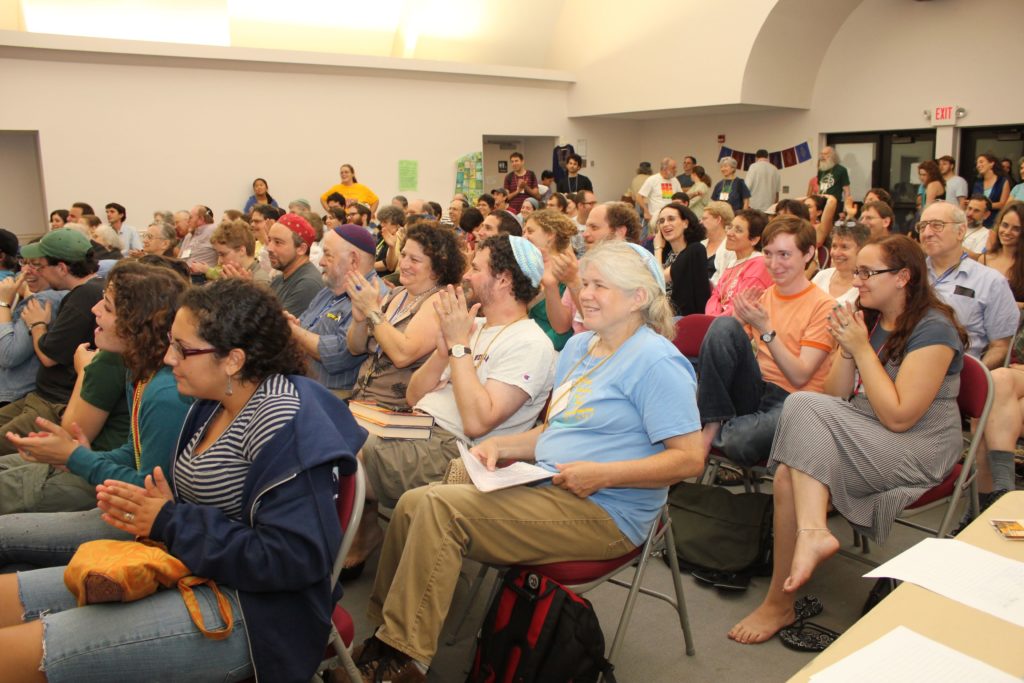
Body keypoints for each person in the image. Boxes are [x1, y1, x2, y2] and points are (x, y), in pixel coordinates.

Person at [349, 241, 704, 681]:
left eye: (600, 286)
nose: (585, 294)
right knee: (414, 502)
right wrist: (504, 447)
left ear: (638, 299)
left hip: (608, 511)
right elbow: (557, 431)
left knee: (441, 509)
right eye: (585, 283)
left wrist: (602, 475)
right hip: (552, 484)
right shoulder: (579, 349)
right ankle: (386, 637)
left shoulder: (657, 362)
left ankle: (402, 661)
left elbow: (690, 460)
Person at [0, 279, 363, 682]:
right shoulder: (212, 403)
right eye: (172, 343)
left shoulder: (282, 426)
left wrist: (170, 520)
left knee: (14, 654)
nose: (170, 358)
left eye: (183, 349)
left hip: (255, 609)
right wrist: (166, 509)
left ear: (233, 360)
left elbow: (293, 560)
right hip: (189, 562)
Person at [729, 234, 967, 645]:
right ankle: (796, 567)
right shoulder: (871, 316)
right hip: (866, 426)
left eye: (868, 273)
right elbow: (839, 394)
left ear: (903, 277)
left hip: (918, 445)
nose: (857, 281)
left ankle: (800, 558)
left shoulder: (935, 329)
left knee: (800, 409)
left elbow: (898, 417)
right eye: (858, 271)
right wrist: (846, 348)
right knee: (788, 469)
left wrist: (862, 349)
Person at [343, 235, 558, 577]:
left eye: (476, 267)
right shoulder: (476, 326)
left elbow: (476, 423)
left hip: (452, 449)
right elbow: (414, 397)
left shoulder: (531, 342)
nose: (466, 276)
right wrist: (444, 351)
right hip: (415, 425)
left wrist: (459, 348)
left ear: (502, 279)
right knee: (322, 429)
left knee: (332, 456)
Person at [1, 261, 192, 516]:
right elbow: (133, 452)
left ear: (138, 325)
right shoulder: (138, 370)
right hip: (115, 489)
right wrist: (78, 456)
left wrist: (76, 457)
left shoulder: (166, 392)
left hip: (139, 516)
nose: (94, 309)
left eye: (108, 306)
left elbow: (149, 491)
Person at [697, 215, 835, 465]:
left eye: (784, 255)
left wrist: (766, 329)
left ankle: (717, 425)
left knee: (738, 440)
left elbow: (800, 376)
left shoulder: (824, 306)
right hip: (757, 387)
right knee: (723, 324)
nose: (773, 264)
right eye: (768, 254)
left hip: (796, 400)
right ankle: (714, 421)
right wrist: (738, 319)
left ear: (808, 254)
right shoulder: (764, 295)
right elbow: (728, 347)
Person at [346, 223, 465, 408]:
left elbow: (402, 355)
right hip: (360, 401)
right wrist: (360, 318)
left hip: (397, 412)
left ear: (438, 268)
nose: (404, 264)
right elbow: (355, 348)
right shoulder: (397, 293)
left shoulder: (440, 302)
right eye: (403, 255)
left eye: (415, 260)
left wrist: (371, 310)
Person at [0, 230, 103, 439]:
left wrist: (36, 323)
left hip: (53, 402)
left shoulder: (82, 296)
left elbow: (46, 357)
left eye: (40, 266)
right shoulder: (92, 289)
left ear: (62, 268)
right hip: (42, 396)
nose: (32, 271)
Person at [290, 225, 386, 397]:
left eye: (328, 254)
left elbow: (340, 355)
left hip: (332, 397)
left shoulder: (376, 297)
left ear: (353, 260)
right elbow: (301, 325)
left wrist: (293, 331)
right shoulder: (329, 289)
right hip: (303, 387)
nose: (320, 262)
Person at [920, 201, 1018, 368]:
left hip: (957, 376)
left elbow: (1000, 346)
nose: (927, 233)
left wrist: (975, 378)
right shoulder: (908, 275)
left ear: (961, 231)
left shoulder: (990, 282)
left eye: (937, 225)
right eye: (922, 226)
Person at [545, 201, 641, 336]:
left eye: (594, 228)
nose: (585, 234)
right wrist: (550, 285)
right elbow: (561, 326)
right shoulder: (581, 265)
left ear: (619, 232)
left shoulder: (636, 270)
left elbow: (606, 329)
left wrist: (574, 282)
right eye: (586, 228)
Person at [0, 268, 66, 406]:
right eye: (23, 262)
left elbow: (8, 355)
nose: (25, 271)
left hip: (14, 395)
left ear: (61, 268)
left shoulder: (43, 300)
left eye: (36, 264)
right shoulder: (36, 296)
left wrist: (3, 303)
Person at [523, 209, 578, 350]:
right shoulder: (530, 266)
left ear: (550, 235)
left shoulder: (568, 270)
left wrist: (530, 347)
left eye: (530, 231)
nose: (524, 237)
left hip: (553, 347)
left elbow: (563, 330)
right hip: (526, 339)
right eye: (523, 232)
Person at [705, 210, 772, 317]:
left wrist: (715, 322)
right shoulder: (732, 263)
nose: (729, 233)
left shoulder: (759, 265)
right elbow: (715, 296)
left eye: (738, 230)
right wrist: (711, 318)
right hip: (717, 322)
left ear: (754, 240)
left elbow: (742, 307)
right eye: (730, 227)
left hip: (739, 327)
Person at [653, 203, 710, 316]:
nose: (665, 224)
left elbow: (659, 279)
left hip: (684, 318)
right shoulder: (667, 253)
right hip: (663, 315)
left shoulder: (695, 250)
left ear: (685, 223)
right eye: (662, 221)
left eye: (671, 219)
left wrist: (657, 248)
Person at [267, 213, 323, 316]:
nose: (269, 248)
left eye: (278, 242)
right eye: (269, 240)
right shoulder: (278, 280)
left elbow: (271, 328)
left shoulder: (308, 284)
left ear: (301, 249)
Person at [812, 221, 871, 306]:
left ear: (862, 249)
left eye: (844, 247)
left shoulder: (866, 286)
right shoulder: (822, 276)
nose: (836, 253)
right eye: (834, 246)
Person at [978, 202, 1024, 306]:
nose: (1007, 232)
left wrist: (1008, 305)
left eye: (1016, 228)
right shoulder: (984, 259)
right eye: (1005, 225)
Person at [637, 158, 682, 228]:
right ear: (665, 169)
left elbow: (681, 196)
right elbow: (639, 197)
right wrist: (646, 212)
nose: (676, 170)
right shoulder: (652, 179)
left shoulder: (675, 180)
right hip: (657, 218)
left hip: (671, 218)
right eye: (673, 168)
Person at [701, 201, 736, 285]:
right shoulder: (701, 244)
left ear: (718, 220)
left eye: (704, 218)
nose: (700, 222)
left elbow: (726, 283)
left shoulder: (731, 249)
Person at [973, 154, 1010, 226]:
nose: (978, 165)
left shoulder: (1002, 181)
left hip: (994, 222)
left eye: (981, 162)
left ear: (991, 164)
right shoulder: (977, 183)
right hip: (978, 222)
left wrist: (982, 206)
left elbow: (1003, 204)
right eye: (977, 163)